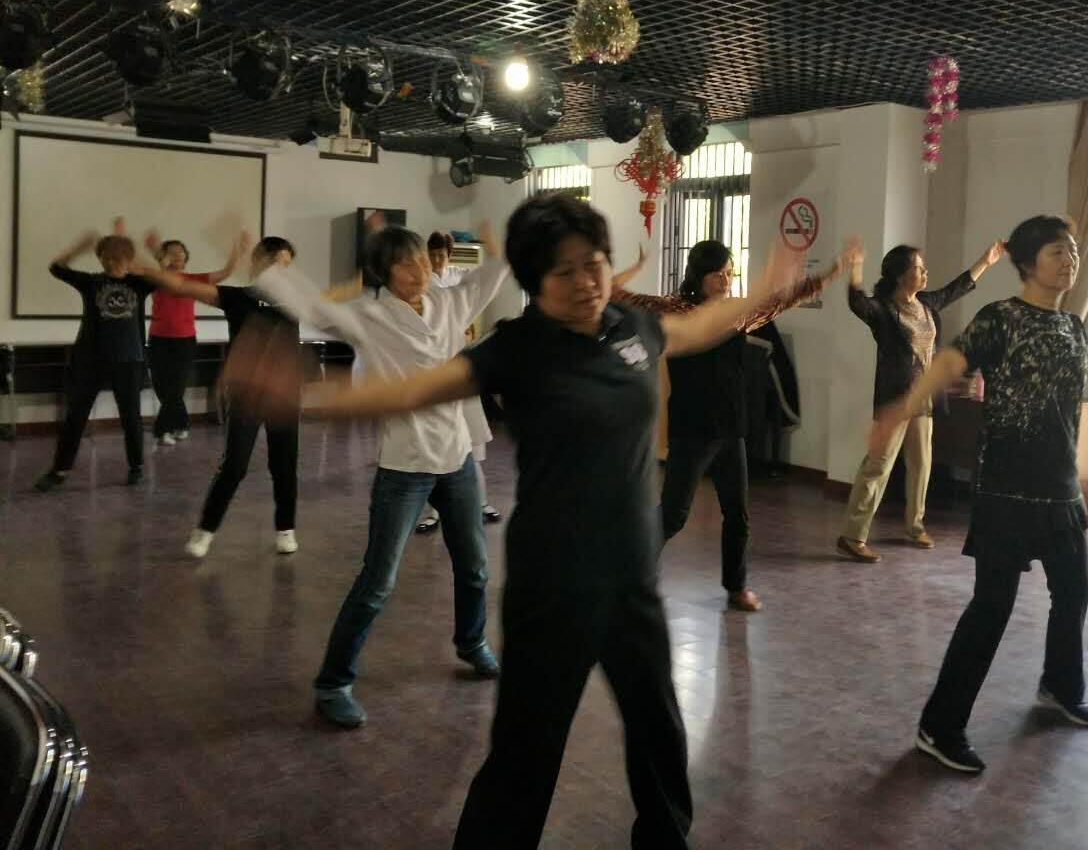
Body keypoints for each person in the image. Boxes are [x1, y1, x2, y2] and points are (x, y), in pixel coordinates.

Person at [217, 192, 804, 849]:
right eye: (565, 270)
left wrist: (771, 283)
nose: (587, 281)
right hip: (552, 582)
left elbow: (705, 325)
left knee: (659, 730)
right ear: (535, 281)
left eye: (595, 263)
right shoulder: (517, 348)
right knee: (527, 749)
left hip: (632, 576)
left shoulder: (635, 329)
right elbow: (410, 390)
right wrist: (303, 398)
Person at [872, 215, 1088, 774]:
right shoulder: (1000, 319)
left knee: (1073, 593)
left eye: (1072, 251)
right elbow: (949, 361)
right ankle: (939, 727)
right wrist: (902, 408)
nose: (1069, 260)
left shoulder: (1072, 325)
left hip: (1060, 490)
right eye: (1057, 251)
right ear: (1026, 262)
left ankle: (1060, 688)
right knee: (991, 608)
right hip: (1006, 490)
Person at [253, 222, 509, 728]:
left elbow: (492, 275)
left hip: (456, 457)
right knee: (377, 581)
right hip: (405, 466)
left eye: (422, 261)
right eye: (406, 264)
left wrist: (497, 242)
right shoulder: (370, 315)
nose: (419, 271)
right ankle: (333, 683)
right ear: (384, 272)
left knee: (475, 565)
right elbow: (315, 310)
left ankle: (471, 641)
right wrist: (271, 272)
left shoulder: (449, 302)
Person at [611, 236, 860, 611]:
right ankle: (628, 578)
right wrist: (631, 269)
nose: (726, 281)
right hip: (693, 426)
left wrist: (831, 273)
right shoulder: (673, 311)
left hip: (731, 426)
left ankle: (736, 587)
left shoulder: (737, 313)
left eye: (730, 273)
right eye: (717, 274)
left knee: (737, 514)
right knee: (673, 515)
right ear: (698, 276)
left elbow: (782, 300)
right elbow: (622, 298)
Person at [836, 238, 1007, 561]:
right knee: (878, 465)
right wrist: (855, 267)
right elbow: (857, 303)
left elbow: (957, 288)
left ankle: (914, 526)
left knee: (921, 463)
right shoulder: (884, 309)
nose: (925, 272)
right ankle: (852, 535)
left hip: (924, 398)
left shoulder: (926, 303)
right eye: (918, 268)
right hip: (895, 400)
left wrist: (987, 260)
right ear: (901, 275)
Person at [134, 234, 302, 556]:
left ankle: (286, 528)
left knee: (285, 465)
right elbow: (186, 287)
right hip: (247, 396)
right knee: (234, 466)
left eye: (287, 266)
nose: (283, 272)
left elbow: (334, 302)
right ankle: (205, 530)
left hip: (284, 395)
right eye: (277, 264)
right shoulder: (239, 298)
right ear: (259, 264)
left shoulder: (295, 302)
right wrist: (149, 269)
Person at [33, 222, 156, 490]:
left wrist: (142, 254)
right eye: (106, 257)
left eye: (118, 257)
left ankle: (136, 466)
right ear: (100, 258)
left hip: (129, 360)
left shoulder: (139, 284)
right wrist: (79, 247)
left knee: (131, 417)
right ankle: (59, 470)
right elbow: (56, 268)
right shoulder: (91, 282)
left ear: (128, 259)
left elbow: (163, 276)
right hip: (91, 359)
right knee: (76, 415)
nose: (111, 262)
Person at [416, 230, 502, 533]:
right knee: (434, 453)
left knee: (473, 448)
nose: (437, 259)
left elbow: (481, 289)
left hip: (461, 367)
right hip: (434, 370)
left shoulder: (459, 278)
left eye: (441, 254)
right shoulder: (424, 283)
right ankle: (434, 512)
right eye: (433, 254)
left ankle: (481, 502)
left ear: (449, 255)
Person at [144, 233, 242, 446]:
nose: (177, 256)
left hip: (184, 340)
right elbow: (144, 272)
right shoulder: (156, 280)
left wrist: (236, 251)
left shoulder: (194, 280)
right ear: (163, 257)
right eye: (171, 253)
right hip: (158, 339)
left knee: (176, 387)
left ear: (185, 257)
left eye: (180, 252)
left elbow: (226, 272)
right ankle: (182, 423)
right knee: (162, 387)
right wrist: (155, 255)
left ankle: (163, 429)